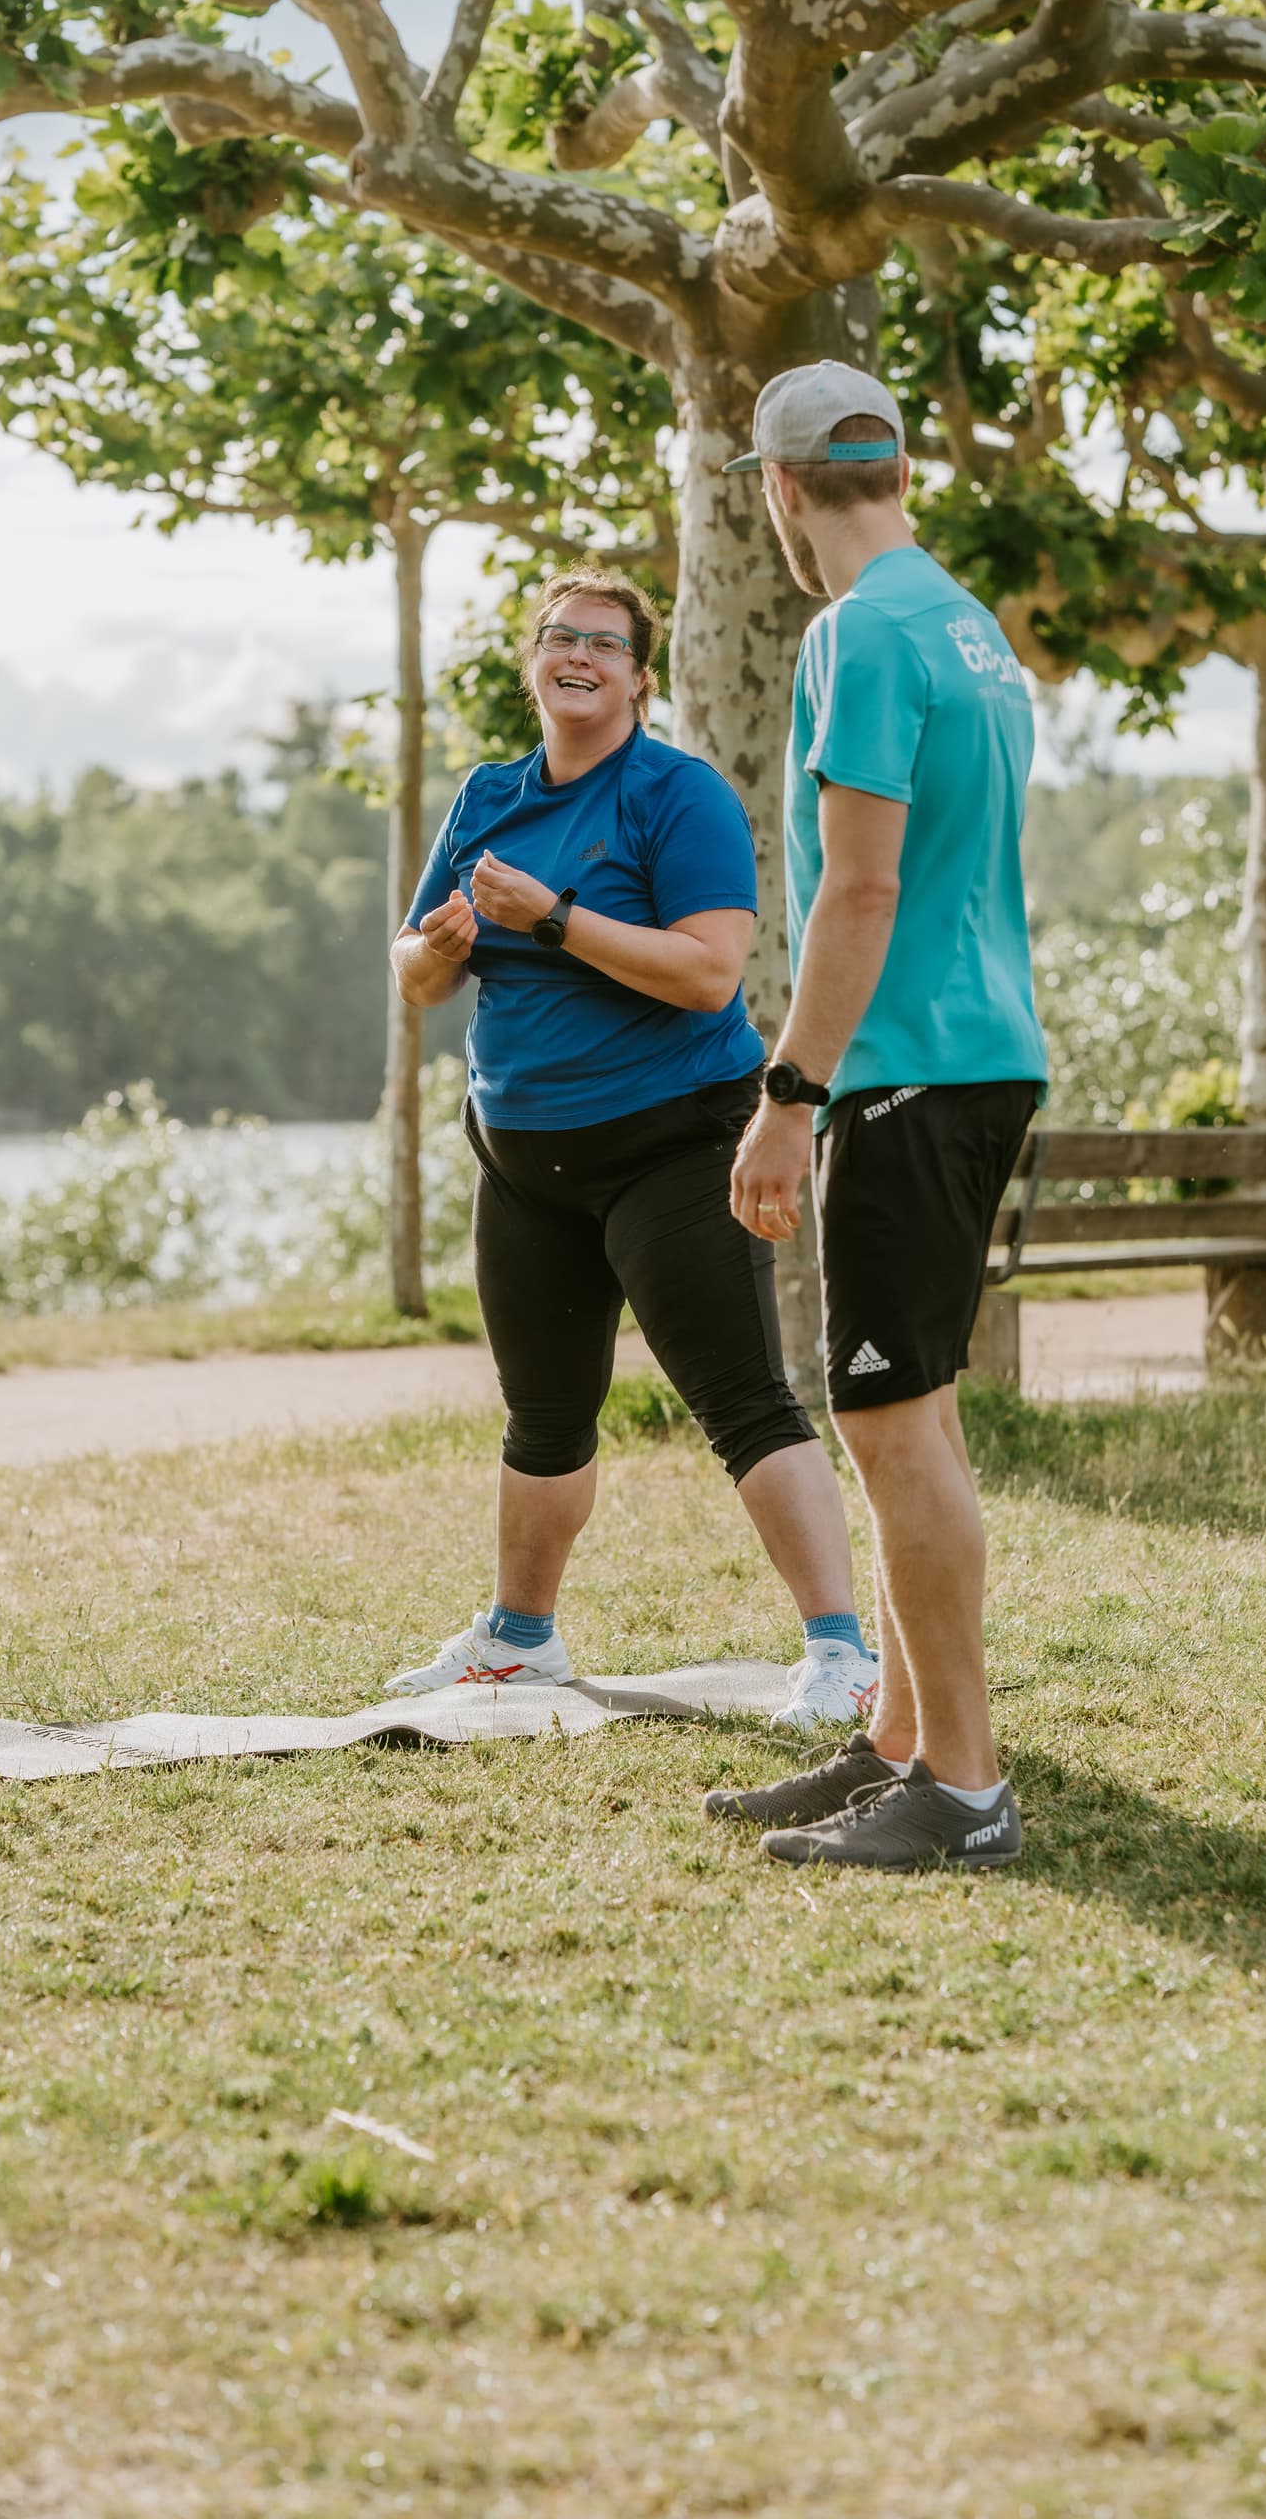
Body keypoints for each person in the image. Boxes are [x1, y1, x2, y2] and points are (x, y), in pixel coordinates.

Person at [383, 565, 876, 1730]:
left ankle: (842, 1652)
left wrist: (550, 916)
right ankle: (519, 1638)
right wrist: (448, 944)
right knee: (542, 1414)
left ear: (638, 679)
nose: (580, 655)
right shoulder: (487, 798)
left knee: (743, 1399)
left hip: (671, 1148)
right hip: (521, 1162)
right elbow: (411, 975)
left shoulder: (677, 795)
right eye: (561, 637)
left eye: (605, 643)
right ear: (533, 663)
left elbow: (710, 972)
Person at [710, 363, 1047, 1870]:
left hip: (908, 1068)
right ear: (895, 471)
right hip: (983, 1052)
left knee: (886, 1420)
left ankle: (962, 1790)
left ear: (781, 491)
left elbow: (862, 884)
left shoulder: (856, 633)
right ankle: (903, 1741)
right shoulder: (969, 630)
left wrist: (789, 1095)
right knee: (913, 1408)